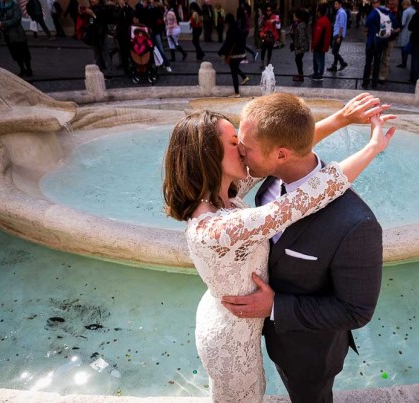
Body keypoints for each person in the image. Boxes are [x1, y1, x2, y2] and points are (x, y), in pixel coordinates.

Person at [164, 92, 393, 402]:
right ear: (211, 161)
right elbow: (307, 197)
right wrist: (373, 147)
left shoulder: (224, 190)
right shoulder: (218, 227)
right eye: (235, 144)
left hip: (264, 330)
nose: (242, 151)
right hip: (231, 339)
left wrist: (340, 120)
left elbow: (285, 145)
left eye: (242, 143)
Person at [0, 0, 32, 76]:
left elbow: (17, 18)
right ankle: (22, 69)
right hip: (7, 34)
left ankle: (29, 69)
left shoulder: (14, 5)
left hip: (17, 33)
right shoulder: (0, 6)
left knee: (24, 52)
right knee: (15, 53)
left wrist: (3, 23)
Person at [218, 13, 249, 98]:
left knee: (234, 72)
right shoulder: (238, 29)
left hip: (234, 54)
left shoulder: (231, 30)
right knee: (234, 68)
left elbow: (228, 43)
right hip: (241, 53)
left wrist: (221, 52)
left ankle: (236, 93)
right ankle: (244, 77)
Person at [361, 0, 389, 89]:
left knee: (368, 63)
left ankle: (365, 82)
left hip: (372, 42)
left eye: (374, 2)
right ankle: (374, 84)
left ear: (377, 3)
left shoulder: (374, 12)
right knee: (377, 63)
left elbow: (367, 23)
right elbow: (395, 23)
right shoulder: (385, 12)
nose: (373, 4)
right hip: (381, 42)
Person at [377, 0, 400, 83]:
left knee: (386, 58)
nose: (391, 4)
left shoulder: (397, 13)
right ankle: (375, 74)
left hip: (391, 38)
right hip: (382, 38)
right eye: (390, 2)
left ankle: (382, 76)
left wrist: (396, 30)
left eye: (393, 2)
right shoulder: (383, 12)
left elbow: (399, 26)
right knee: (377, 57)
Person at [311, 3, 331, 81]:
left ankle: (319, 73)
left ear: (319, 12)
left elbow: (317, 35)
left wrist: (313, 45)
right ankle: (317, 72)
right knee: (319, 59)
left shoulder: (321, 21)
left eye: (317, 11)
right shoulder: (326, 20)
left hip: (319, 44)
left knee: (318, 59)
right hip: (322, 44)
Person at [326, 0, 348, 73]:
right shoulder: (339, 12)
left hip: (338, 34)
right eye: (334, 4)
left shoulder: (341, 13)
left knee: (334, 51)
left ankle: (343, 62)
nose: (334, 5)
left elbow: (341, 26)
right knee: (336, 50)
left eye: (336, 4)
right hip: (337, 33)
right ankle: (334, 66)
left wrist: (339, 37)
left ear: (340, 4)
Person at [290, 8, 309, 82]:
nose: (293, 17)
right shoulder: (296, 24)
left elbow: (301, 37)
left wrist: (298, 47)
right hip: (298, 45)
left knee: (298, 60)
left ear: (297, 17)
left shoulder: (301, 25)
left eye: (294, 16)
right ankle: (300, 74)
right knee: (298, 59)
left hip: (301, 46)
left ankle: (301, 76)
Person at [259, 6, 279, 70]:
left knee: (270, 50)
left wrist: (274, 20)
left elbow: (277, 20)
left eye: (269, 10)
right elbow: (260, 25)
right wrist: (262, 21)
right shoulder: (264, 17)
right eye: (267, 10)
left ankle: (268, 63)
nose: (268, 12)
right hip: (264, 35)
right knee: (263, 49)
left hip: (271, 35)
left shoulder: (274, 16)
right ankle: (262, 63)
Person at [396, 0, 415, 69]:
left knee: (403, 47)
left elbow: (403, 23)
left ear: (405, 4)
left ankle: (404, 62)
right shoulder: (414, 11)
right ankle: (407, 63)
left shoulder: (405, 12)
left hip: (405, 31)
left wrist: (398, 29)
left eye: (403, 5)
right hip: (412, 32)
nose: (402, 7)